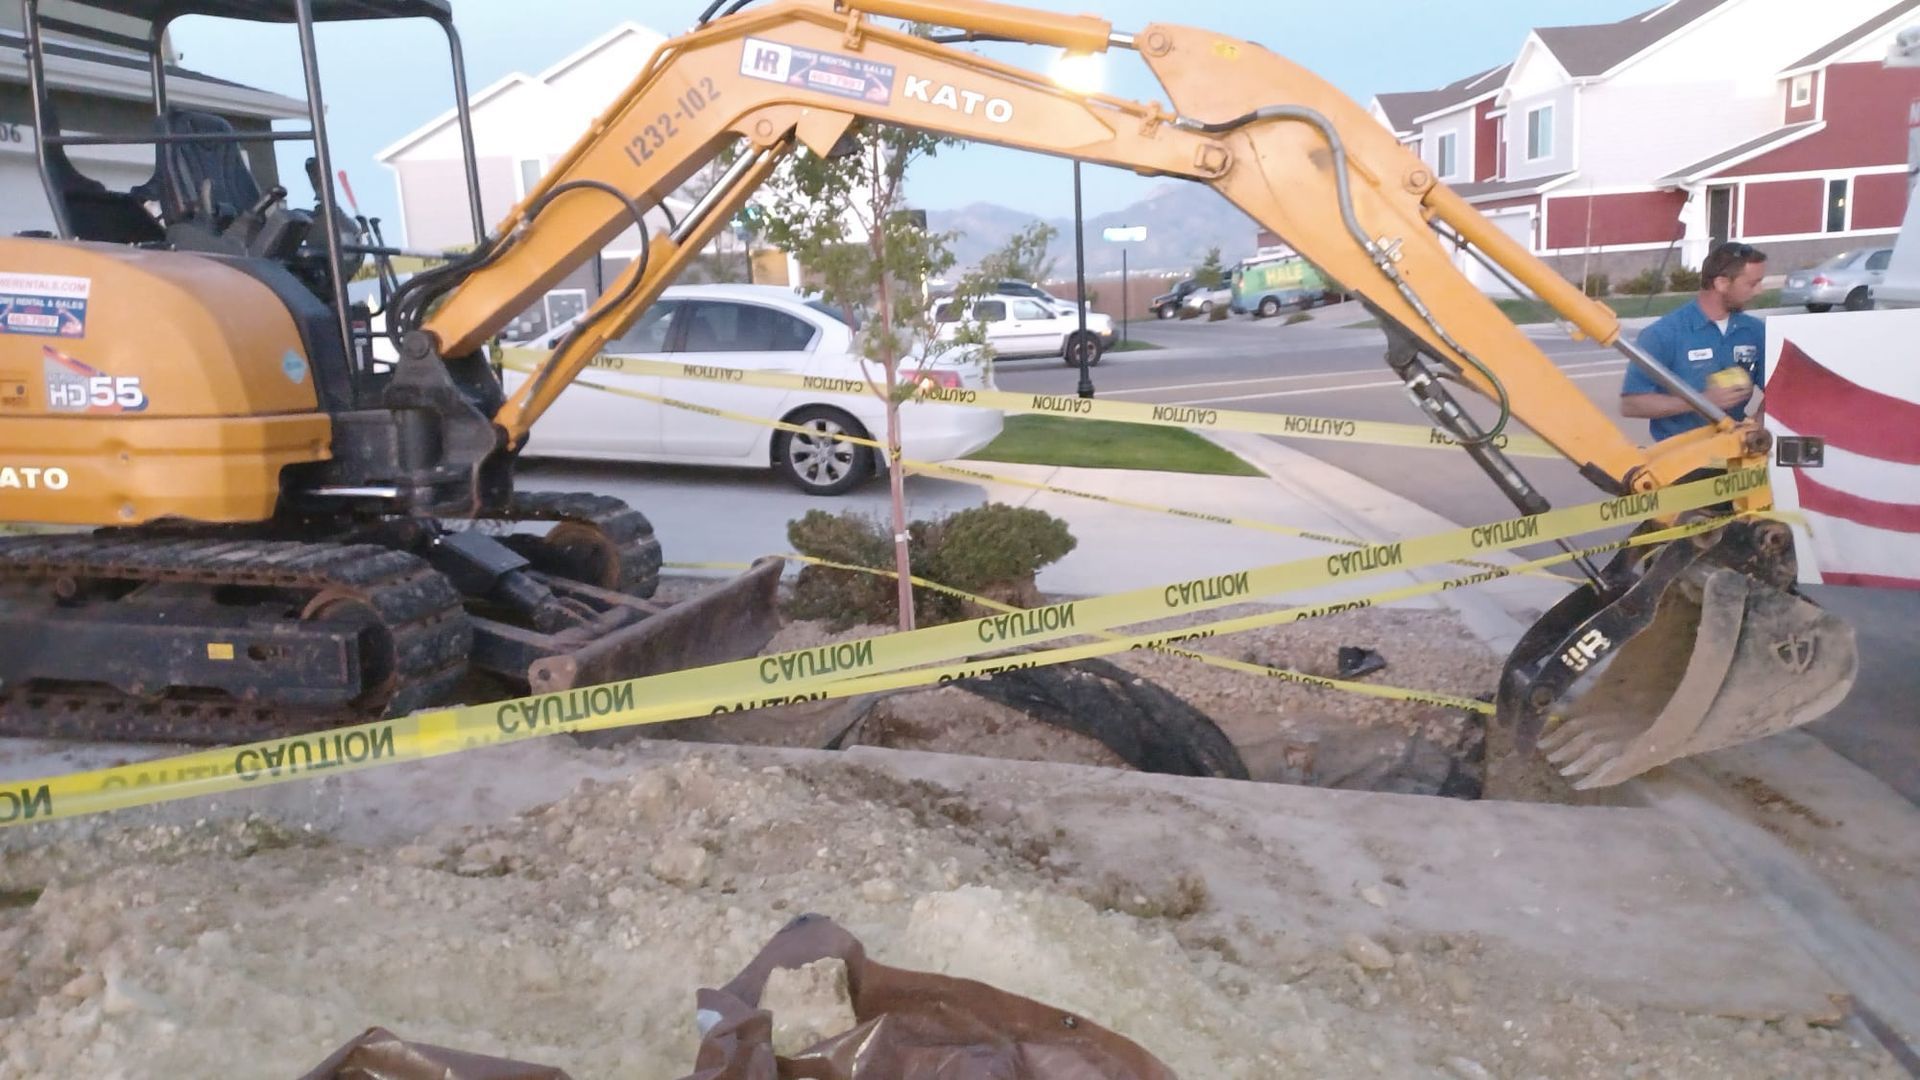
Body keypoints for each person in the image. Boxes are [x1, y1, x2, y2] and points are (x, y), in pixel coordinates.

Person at [1620, 242, 1768, 441]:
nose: (1759, 291)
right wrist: (1702, 401)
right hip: (1680, 461)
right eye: (1752, 284)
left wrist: (1758, 422)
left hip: (1738, 459)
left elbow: (1781, 390)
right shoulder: (1663, 334)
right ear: (1721, 283)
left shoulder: (1755, 331)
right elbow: (1632, 404)